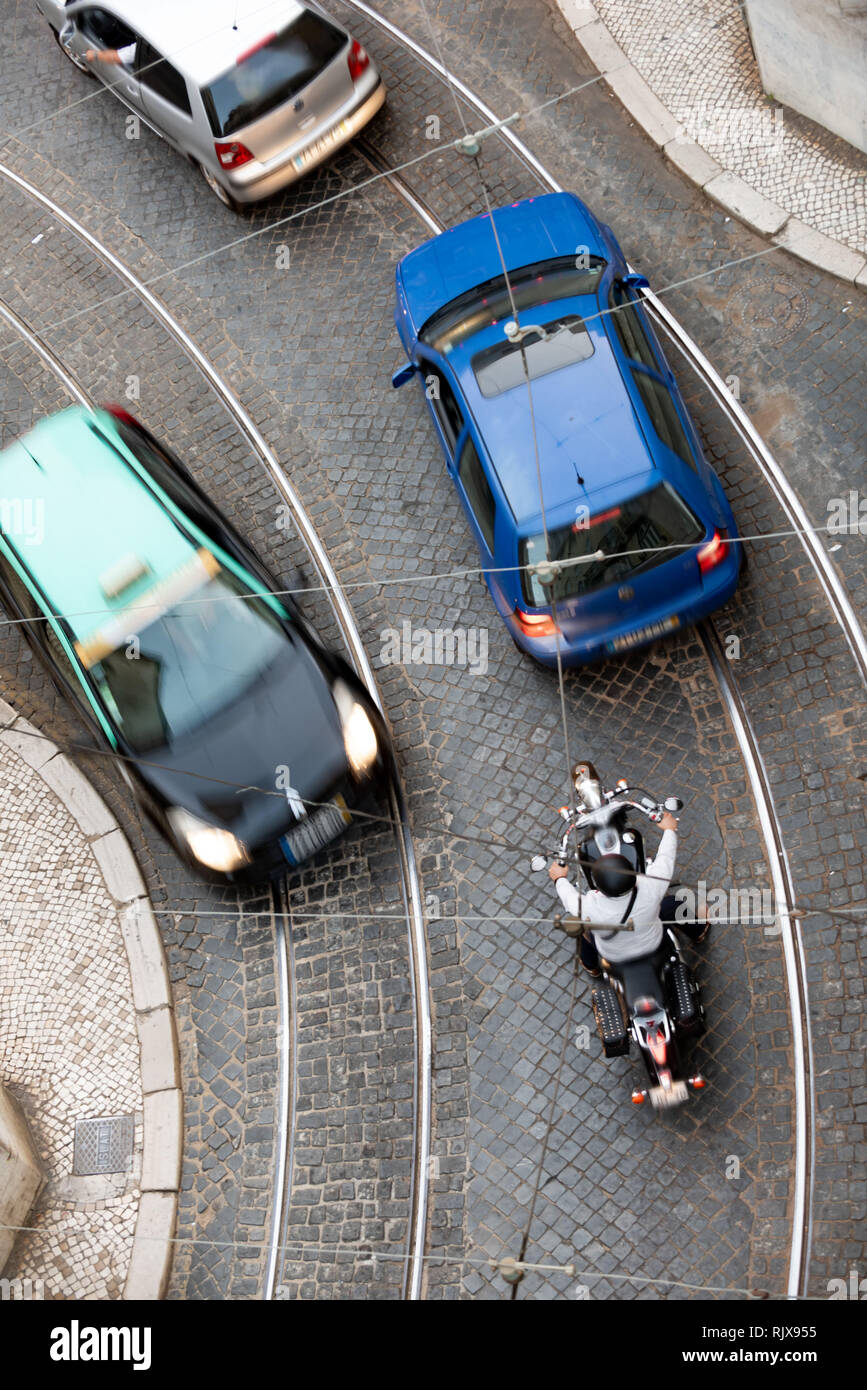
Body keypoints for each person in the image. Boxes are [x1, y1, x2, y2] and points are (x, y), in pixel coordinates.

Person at [548, 810, 709, 977]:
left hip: (613, 955)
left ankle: (591, 966)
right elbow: (665, 858)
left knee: (582, 931)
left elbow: (568, 897)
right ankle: (699, 930)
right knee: (673, 904)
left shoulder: (587, 907)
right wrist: (669, 830)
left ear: (598, 886)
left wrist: (559, 878)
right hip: (653, 943)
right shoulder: (651, 886)